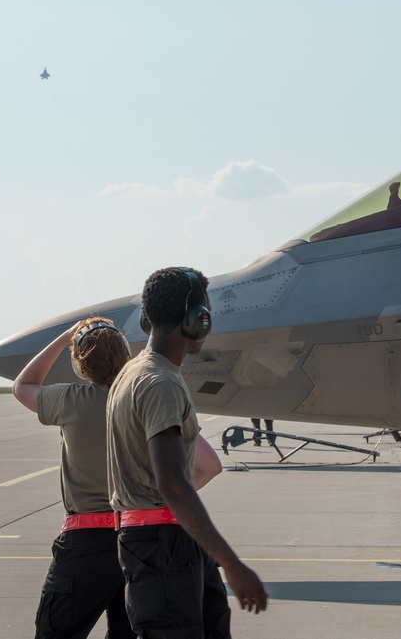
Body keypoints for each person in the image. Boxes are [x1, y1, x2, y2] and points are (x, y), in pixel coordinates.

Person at [107, 266, 269, 638]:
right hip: (162, 544)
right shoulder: (159, 382)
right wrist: (232, 564)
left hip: (171, 540)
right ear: (198, 320)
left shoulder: (136, 372)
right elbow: (173, 483)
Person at [11, 317, 134, 639]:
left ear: (80, 363)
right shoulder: (144, 400)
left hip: (87, 544)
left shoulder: (70, 400)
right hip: (142, 540)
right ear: (127, 356)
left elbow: (22, 385)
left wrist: (65, 336)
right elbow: (207, 466)